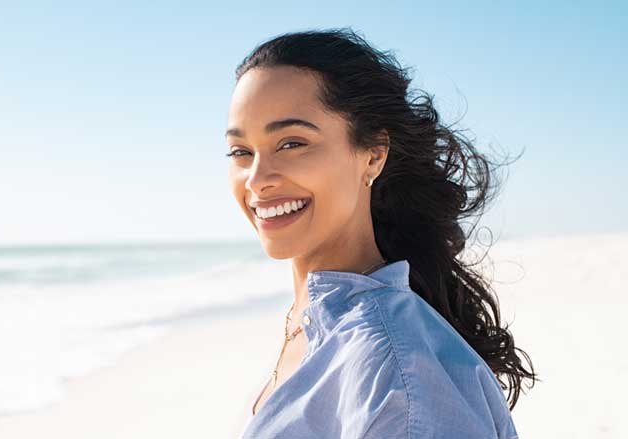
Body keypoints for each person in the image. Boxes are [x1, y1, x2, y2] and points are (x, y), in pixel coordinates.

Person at [225, 28, 536, 438]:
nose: (257, 179)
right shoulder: (315, 323)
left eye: (292, 143)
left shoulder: (395, 373)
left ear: (372, 155)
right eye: (241, 152)